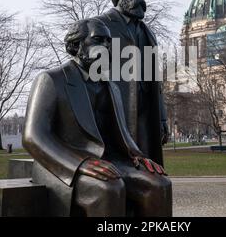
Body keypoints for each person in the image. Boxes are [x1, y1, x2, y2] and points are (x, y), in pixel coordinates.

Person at [23, 18, 172, 217]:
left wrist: (137, 156)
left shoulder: (112, 86)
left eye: (109, 43)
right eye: (99, 40)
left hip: (109, 161)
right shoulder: (51, 80)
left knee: (159, 183)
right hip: (63, 164)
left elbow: (121, 133)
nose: (107, 48)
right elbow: (33, 136)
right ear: (76, 46)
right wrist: (80, 163)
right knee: (110, 188)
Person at [95, 0, 168, 167]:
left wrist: (161, 117)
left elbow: (156, 80)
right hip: (115, 111)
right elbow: (92, 74)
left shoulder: (147, 32)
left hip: (145, 111)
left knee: (146, 166)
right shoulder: (100, 25)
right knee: (119, 165)